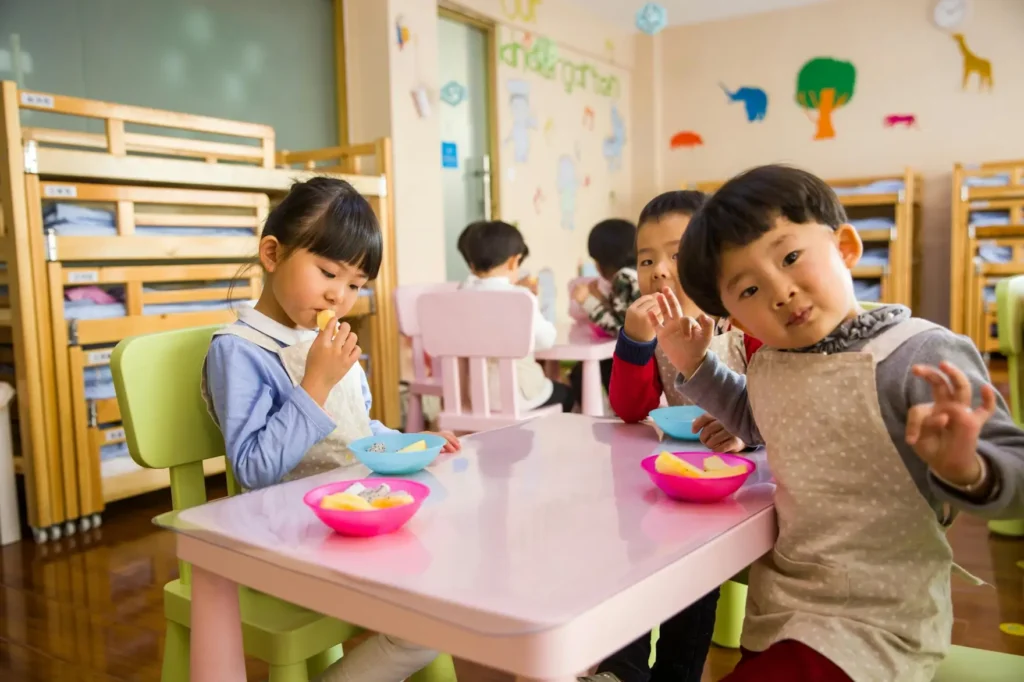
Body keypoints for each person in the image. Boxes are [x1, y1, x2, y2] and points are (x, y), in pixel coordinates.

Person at [658, 164, 1024, 681]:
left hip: (876, 616)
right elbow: (757, 417)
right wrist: (696, 364)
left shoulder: (916, 354)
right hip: (780, 604)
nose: (780, 292)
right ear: (735, 320)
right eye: (748, 291)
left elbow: (1017, 475)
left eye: (790, 257)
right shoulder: (771, 361)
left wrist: (968, 469)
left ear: (846, 247)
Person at [203, 176, 458, 682]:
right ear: (273, 254)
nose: (339, 296)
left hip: (352, 515)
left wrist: (411, 441)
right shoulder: (238, 350)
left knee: (456, 573)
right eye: (327, 272)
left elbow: (354, 430)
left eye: (355, 284)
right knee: (432, 622)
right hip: (289, 535)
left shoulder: (325, 338)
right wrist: (315, 381)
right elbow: (253, 468)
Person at [457, 220, 574, 412]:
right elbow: (546, 340)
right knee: (567, 394)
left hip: (476, 396)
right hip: (520, 395)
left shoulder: (461, 294)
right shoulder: (520, 297)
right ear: (513, 261)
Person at [569, 218, 641, 408]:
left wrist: (587, 301)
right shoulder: (636, 273)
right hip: (646, 350)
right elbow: (623, 313)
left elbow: (619, 328)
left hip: (639, 356)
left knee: (583, 372)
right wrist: (600, 297)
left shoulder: (624, 278)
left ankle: (596, 416)